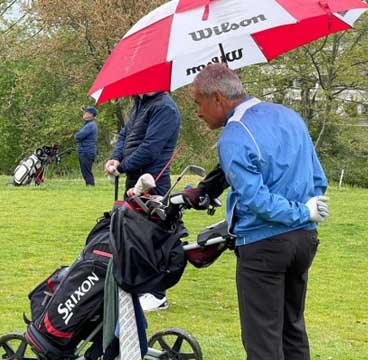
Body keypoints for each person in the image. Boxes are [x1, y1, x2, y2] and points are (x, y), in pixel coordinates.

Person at [182, 63, 329, 359]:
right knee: (292, 330)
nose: (198, 113)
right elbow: (318, 179)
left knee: (262, 339)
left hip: (264, 246)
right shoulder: (290, 116)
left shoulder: (234, 135)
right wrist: (306, 212)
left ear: (218, 99)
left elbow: (256, 201)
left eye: (199, 104)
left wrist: (299, 212)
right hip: (304, 240)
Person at [103, 92, 181, 312]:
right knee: (134, 236)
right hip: (134, 177)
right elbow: (126, 135)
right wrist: (116, 158)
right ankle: (138, 286)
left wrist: (122, 166)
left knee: (154, 237)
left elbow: (150, 148)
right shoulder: (141, 102)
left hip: (153, 180)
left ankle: (157, 295)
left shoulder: (165, 107)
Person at [75, 106, 98, 186]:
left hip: (87, 151)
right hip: (85, 151)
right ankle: (89, 185)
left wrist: (77, 136)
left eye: (86, 112)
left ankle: (90, 186)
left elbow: (78, 136)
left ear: (91, 115)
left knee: (86, 171)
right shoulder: (88, 124)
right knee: (85, 170)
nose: (84, 114)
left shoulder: (90, 125)